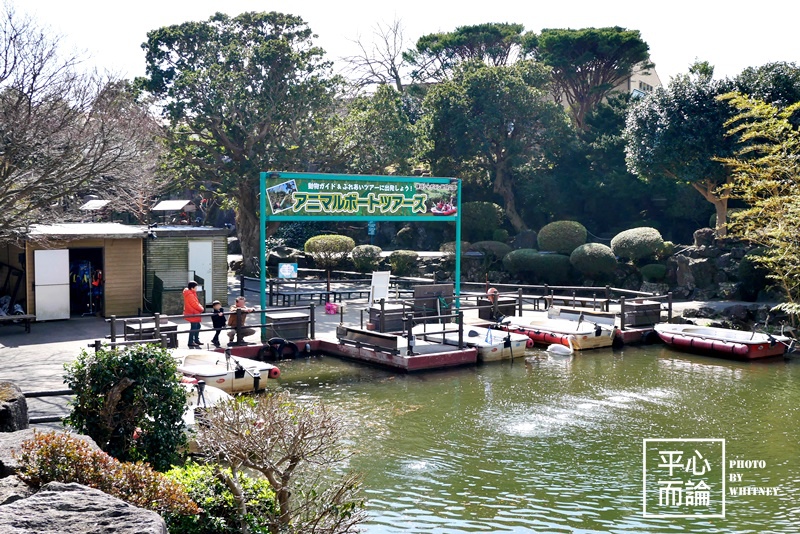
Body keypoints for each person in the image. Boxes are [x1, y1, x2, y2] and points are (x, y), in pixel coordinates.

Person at [183, 281, 204, 348]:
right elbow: (194, 304)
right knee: (194, 327)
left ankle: (195, 340)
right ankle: (191, 341)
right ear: (192, 288)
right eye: (196, 287)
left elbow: (195, 303)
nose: (196, 288)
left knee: (197, 326)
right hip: (193, 313)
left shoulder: (191, 293)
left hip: (193, 312)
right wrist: (201, 309)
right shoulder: (190, 294)